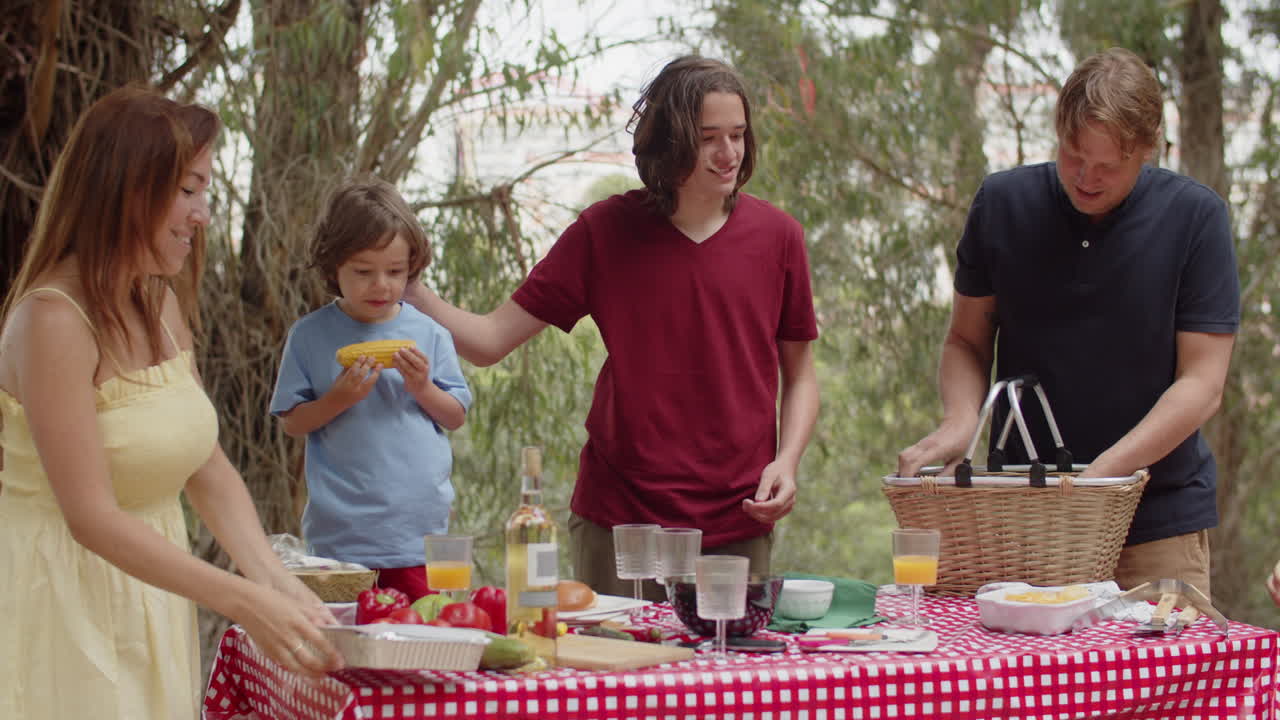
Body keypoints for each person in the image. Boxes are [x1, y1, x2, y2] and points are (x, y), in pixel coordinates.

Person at [404, 55, 820, 599]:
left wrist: (786, 463)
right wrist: (406, 287)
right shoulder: (605, 232)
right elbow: (488, 342)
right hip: (621, 524)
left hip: (738, 521)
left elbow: (802, 375)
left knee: (725, 684)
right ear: (669, 140)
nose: (729, 154)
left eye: (738, 135)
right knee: (614, 680)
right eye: (709, 137)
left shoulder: (778, 236)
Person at [0, 86, 343, 720]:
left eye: (204, 191)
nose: (202, 213)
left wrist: (274, 579)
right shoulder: (52, 322)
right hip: (63, 604)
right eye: (188, 190)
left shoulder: (157, 301)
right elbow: (90, 517)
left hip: (150, 596)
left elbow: (204, 464)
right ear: (126, 189)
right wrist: (242, 599)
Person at [897, 48, 1239, 600]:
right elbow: (965, 340)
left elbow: (1202, 383)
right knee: (1019, 686)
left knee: (1159, 686)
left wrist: (1100, 478)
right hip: (1022, 522)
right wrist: (962, 419)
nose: (1086, 177)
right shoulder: (1002, 203)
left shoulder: (1196, 218)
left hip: (1155, 522)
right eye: (1073, 155)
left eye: (1109, 166)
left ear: (1149, 150)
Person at [270, 177, 472, 601]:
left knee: (421, 646)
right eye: (363, 272)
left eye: (396, 272)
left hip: (418, 537)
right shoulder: (309, 336)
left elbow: (455, 415)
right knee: (345, 655)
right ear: (332, 268)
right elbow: (292, 422)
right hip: (340, 541)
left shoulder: (431, 334)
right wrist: (338, 399)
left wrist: (422, 387)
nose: (381, 285)